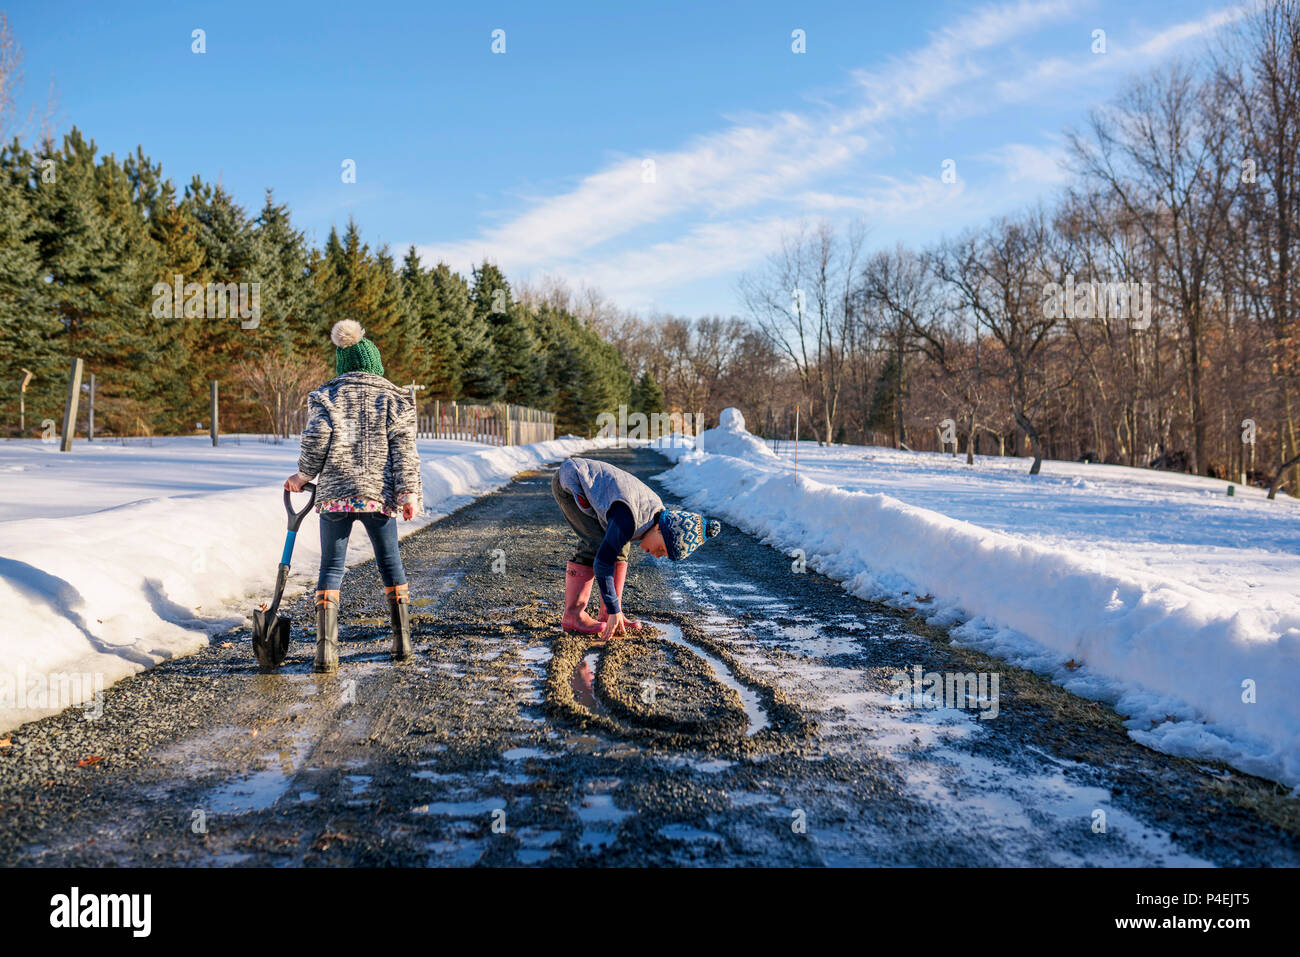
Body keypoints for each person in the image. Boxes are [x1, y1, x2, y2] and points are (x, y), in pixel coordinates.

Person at [283, 319, 422, 672]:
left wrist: (303, 475)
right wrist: (407, 493)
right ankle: (402, 644)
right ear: (375, 365)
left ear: (342, 364)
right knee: (390, 563)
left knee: (331, 566)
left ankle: (325, 653)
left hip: (336, 495)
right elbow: (404, 451)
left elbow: (316, 440)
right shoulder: (394, 399)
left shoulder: (327, 396)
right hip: (378, 494)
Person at [552, 456, 720, 641]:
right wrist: (614, 608)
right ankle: (573, 616)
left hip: (604, 498)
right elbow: (602, 563)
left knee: (620, 546)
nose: (657, 556)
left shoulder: (652, 515)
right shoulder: (629, 519)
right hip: (571, 483)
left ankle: (609, 615)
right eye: (662, 550)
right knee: (597, 544)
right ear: (659, 529)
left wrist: (613, 609)